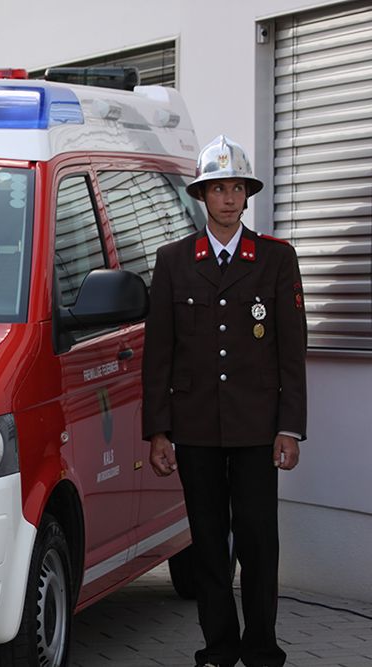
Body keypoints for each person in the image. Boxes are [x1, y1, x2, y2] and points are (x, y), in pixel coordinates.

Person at [142, 135, 307, 667]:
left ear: (246, 194)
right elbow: (159, 353)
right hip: (194, 429)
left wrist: (290, 427)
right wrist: (158, 430)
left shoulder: (276, 260)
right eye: (219, 188)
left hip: (258, 428)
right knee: (208, 543)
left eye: (238, 187)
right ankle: (218, 645)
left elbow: (291, 351)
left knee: (259, 542)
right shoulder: (172, 261)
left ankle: (261, 645)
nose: (229, 198)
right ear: (202, 196)